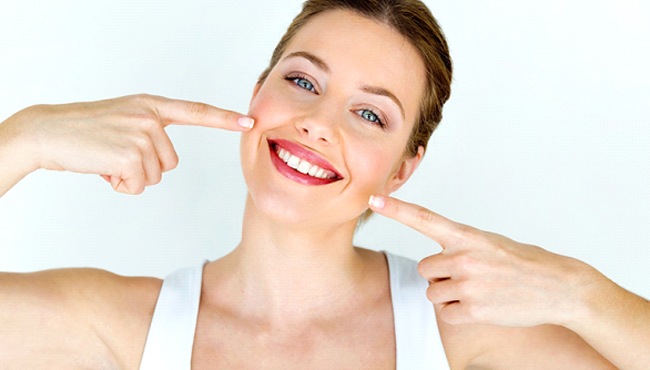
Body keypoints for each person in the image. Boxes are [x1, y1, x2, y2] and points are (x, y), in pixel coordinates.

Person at [0, 0, 648, 368]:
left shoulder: (460, 331)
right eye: (304, 82)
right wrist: (21, 139)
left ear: (402, 166)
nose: (316, 123)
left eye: (370, 114)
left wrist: (582, 293)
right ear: (258, 92)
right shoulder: (123, 326)